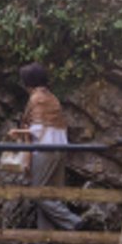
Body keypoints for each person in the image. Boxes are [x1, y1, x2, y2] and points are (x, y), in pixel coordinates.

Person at [16, 63, 81, 231]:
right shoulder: (51, 97)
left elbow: (38, 128)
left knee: (38, 193)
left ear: (28, 82)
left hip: (45, 148)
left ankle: (74, 222)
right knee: (51, 193)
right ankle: (45, 238)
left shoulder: (37, 98)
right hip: (60, 147)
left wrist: (16, 131)